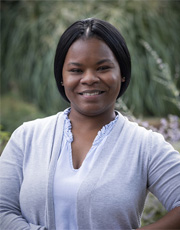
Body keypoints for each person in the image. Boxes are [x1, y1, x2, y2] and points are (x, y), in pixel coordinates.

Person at [0, 18, 180, 230]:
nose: (89, 79)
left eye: (103, 68)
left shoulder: (145, 146)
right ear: (61, 77)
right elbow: (3, 210)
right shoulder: (27, 137)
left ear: (122, 74)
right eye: (76, 70)